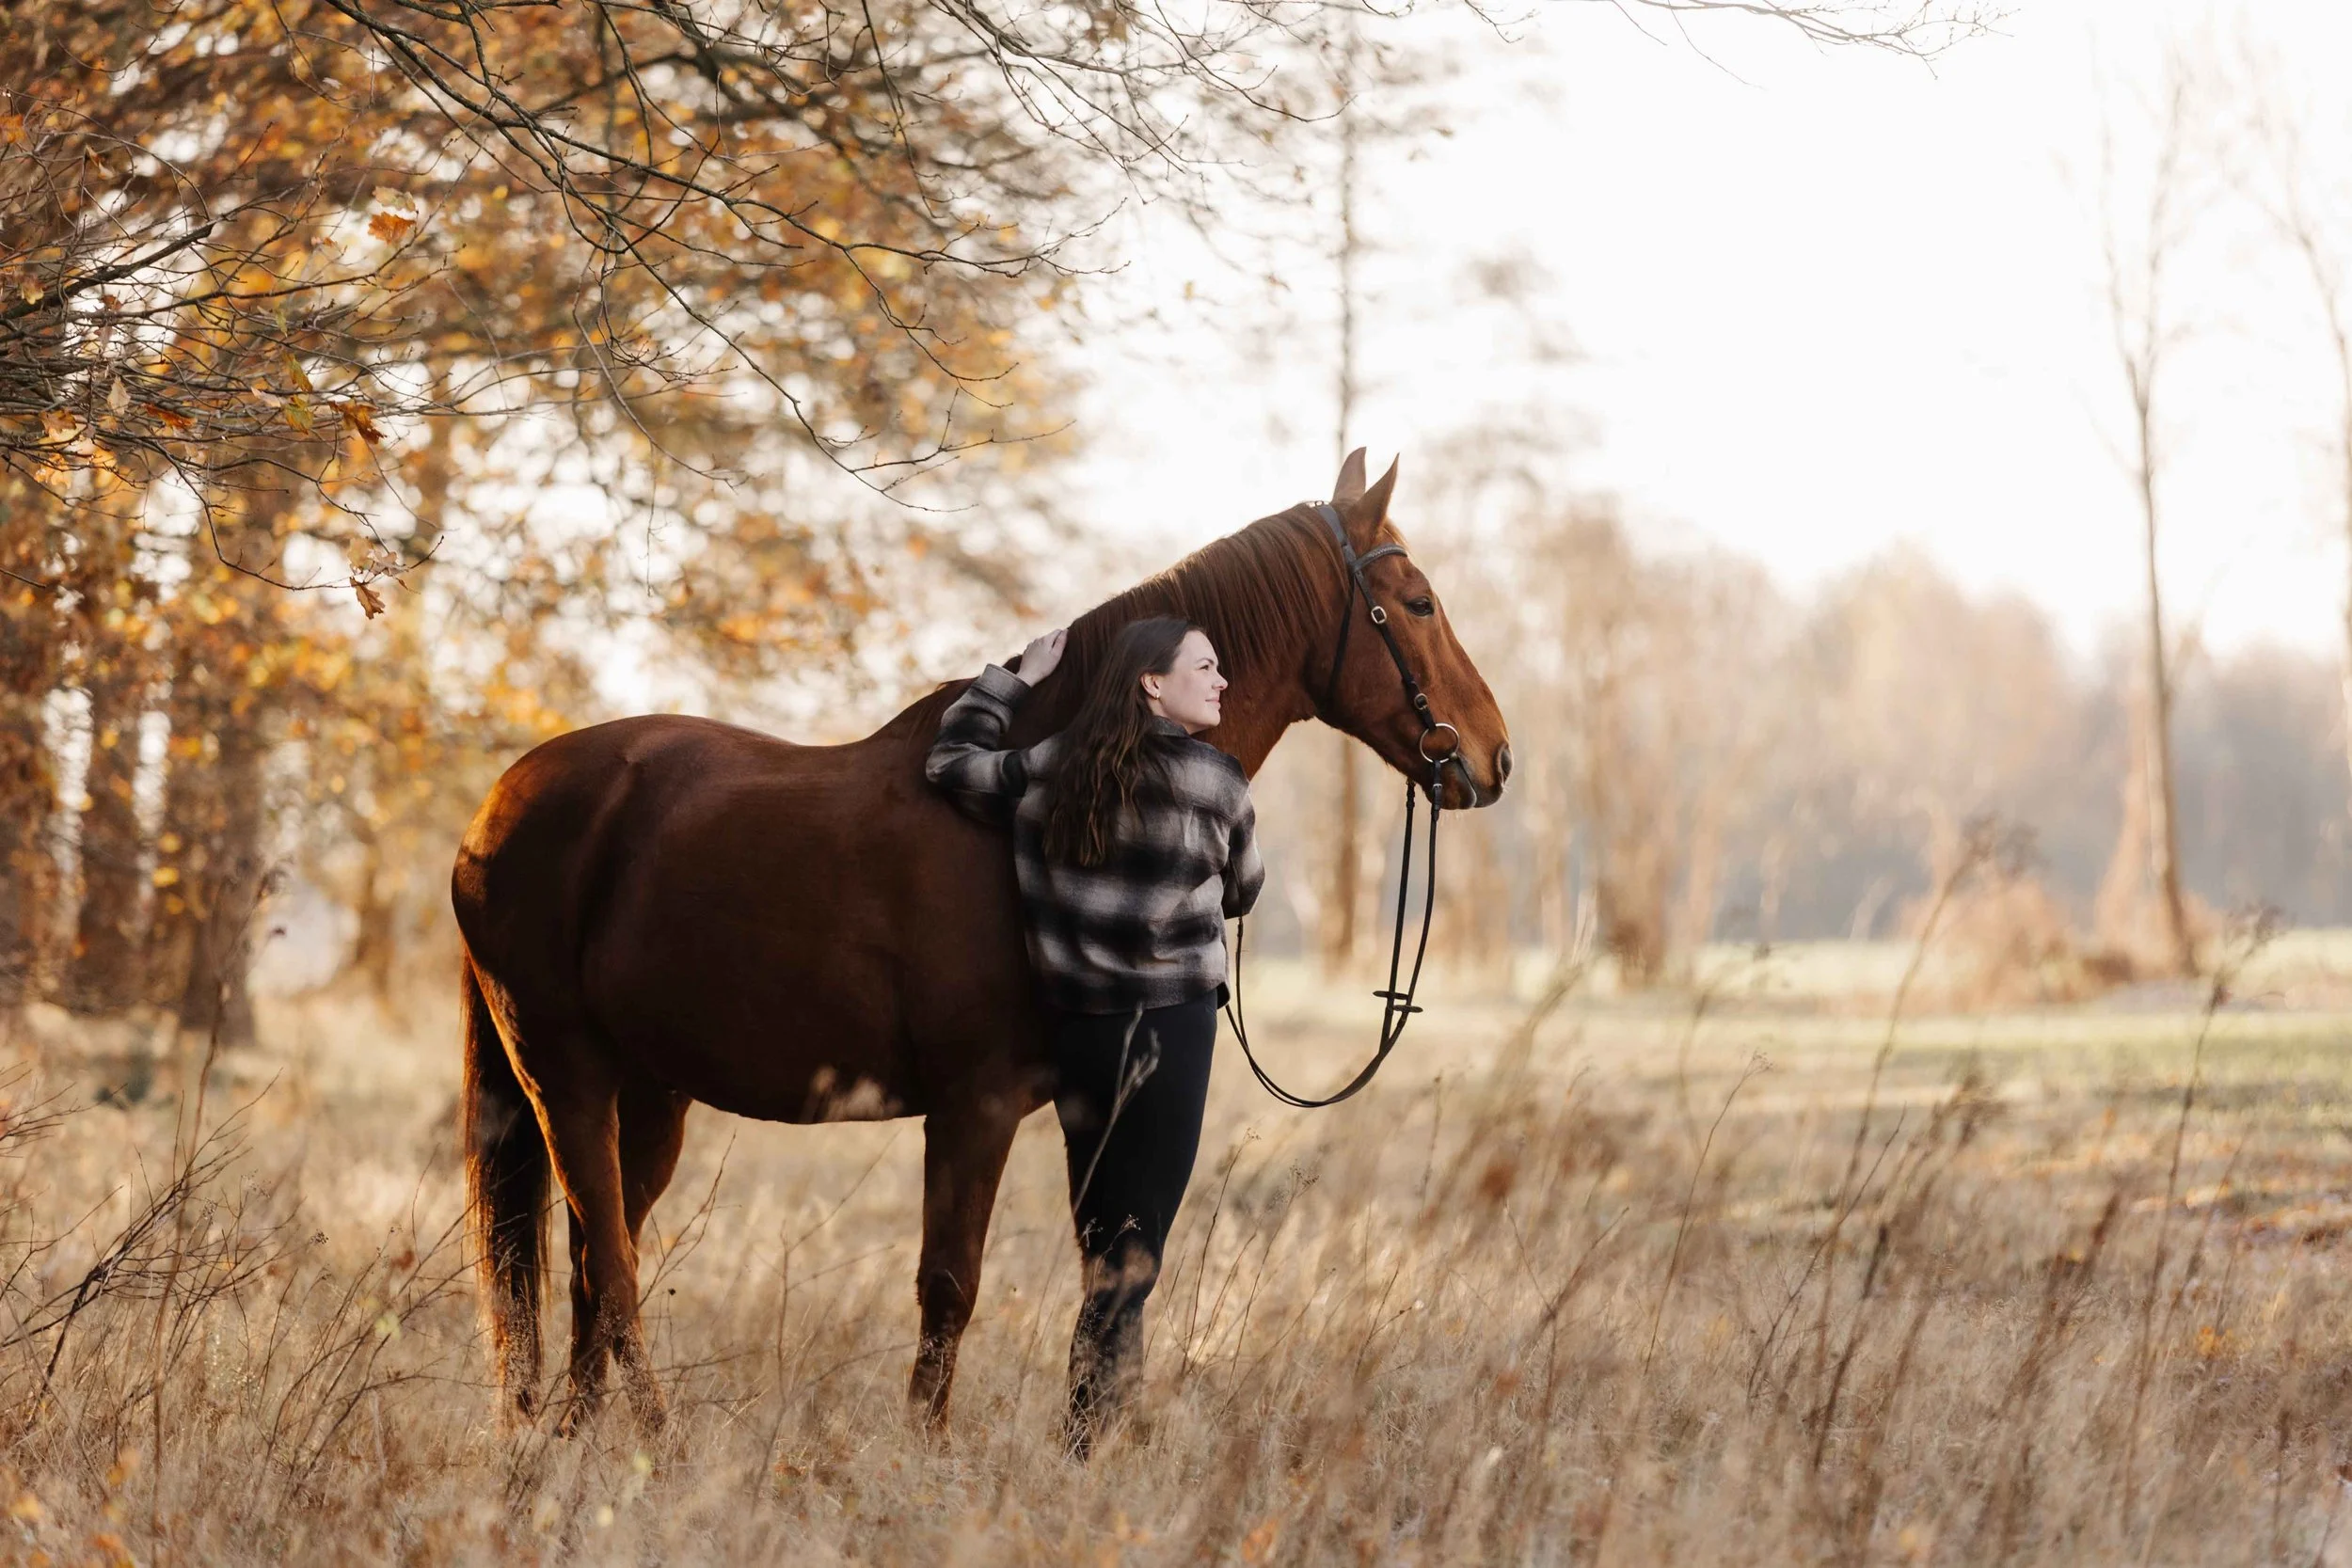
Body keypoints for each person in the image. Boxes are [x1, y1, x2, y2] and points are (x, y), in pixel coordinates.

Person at [924, 615, 1263, 1454]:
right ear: (1153, 681)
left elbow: (948, 763)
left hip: (1079, 1035)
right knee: (1134, 1254)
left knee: (1105, 1241)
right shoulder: (1218, 780)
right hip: (1172, 1032)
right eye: (1205, 666)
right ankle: (1087, 1444)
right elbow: (1245, 889)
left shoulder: (1052, 766)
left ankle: (1113, 1426)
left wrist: (1015, 680)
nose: (1221, 681)